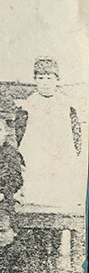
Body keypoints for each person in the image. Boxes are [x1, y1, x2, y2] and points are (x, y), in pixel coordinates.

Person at [13, 57, 86, 211]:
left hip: (60, 158)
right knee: (35, 192)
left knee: (59, 195)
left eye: (49, 78)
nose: (45, 83)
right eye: (40, 78)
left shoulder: (66, 106)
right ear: (35, 80)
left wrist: (71, 156)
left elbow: (76, 135)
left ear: (57, 80)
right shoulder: (28, 105)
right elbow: (19, 133)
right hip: (35, 158)